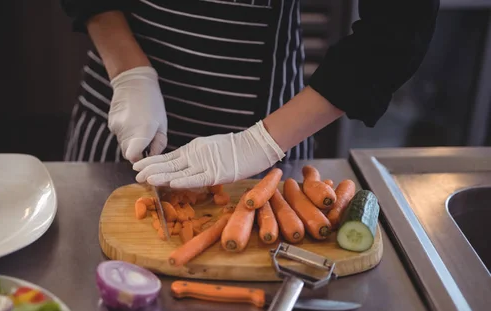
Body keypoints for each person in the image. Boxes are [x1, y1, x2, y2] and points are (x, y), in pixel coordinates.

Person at [60, 0, 439, 188]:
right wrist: (130, 74)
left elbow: (397, 29)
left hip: (270, 124)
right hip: (119, 99)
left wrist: (259, 143)